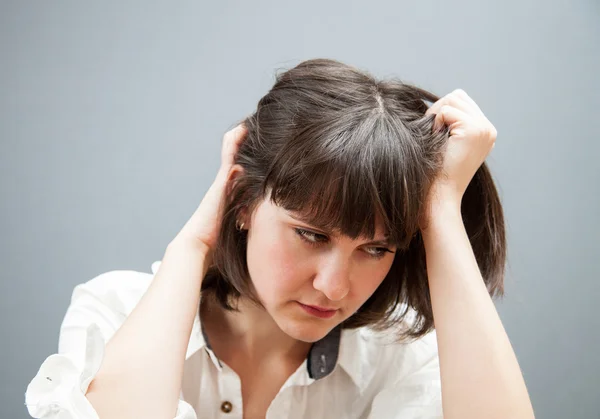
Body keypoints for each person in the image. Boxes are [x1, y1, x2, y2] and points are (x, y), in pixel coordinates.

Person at [24, 58, 535, 419]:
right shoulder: (116, 311)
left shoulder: (400, 354)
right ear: (243, 201)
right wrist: (192, 248)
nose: (335, 287)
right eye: (311, 235)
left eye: (375, 249)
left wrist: (441, 208)